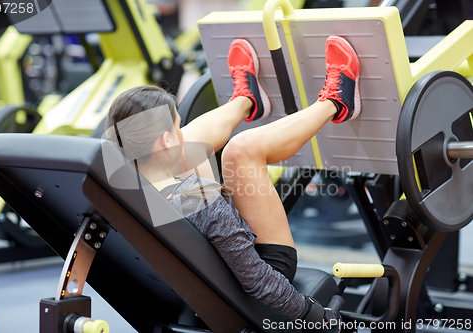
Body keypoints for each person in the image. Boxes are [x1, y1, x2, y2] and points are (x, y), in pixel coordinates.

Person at [106, 35, 360, 330]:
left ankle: (247, 99)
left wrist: (172, 133)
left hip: (206, 278)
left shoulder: (116, 190)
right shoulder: (202, 202)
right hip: (256, 279)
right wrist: (314, 315)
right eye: (175, 129)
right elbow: (260, 282)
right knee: (241, 150)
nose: (180, 132)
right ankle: (336, 101)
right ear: (164, 140)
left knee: (189, 144)